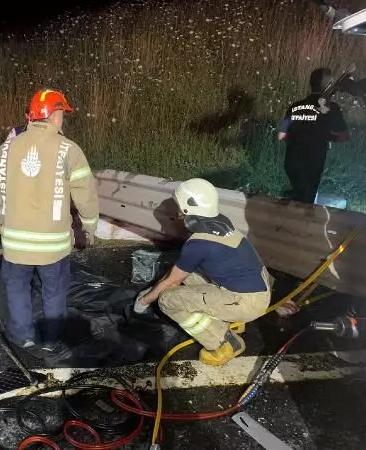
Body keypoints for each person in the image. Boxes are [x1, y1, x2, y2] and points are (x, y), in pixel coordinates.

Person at [0, 88, 99, 350]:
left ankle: (24, 336)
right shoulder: (69, 150)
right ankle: (50, 340)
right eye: (62, 113)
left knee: (17, 289)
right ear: (53, 114)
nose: (63, 119)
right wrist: (89, 226)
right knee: (54, 292)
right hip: (53, 246)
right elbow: (86, 193)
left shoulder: (7, 148)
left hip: (15, 244)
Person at [134, 178, 271, 366]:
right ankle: (230, 317)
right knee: (187, 276)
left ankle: (224, 342)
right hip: (258, 288)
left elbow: (171, 282)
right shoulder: (222, 223)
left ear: (188, 210)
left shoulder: (198, 244)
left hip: (245, 301)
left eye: (180, 208)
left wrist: (143, 301)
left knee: (168, 299)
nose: (179, 213)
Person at [278, 67, 349, 204]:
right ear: (329, 85)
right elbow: (344, 136)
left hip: (291, 163)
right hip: (313, 164)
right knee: (306, 203)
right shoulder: (332, 108)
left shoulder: (295, 106)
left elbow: (281, 135)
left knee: (298, 195)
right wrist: (326, 136)